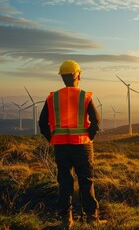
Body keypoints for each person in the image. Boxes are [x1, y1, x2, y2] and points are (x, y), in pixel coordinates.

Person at [39, 60, 102, 229]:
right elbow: (96, 121)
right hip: (82, 146)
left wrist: (53, 138)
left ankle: (66, 219)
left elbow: (42, 123)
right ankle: (91, 217)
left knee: (65, 181)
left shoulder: (53, 98)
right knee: (86, 181)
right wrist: (90, 136)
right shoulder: (84, 96)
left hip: (61, 147)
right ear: (78, 75)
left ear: (63, 78)